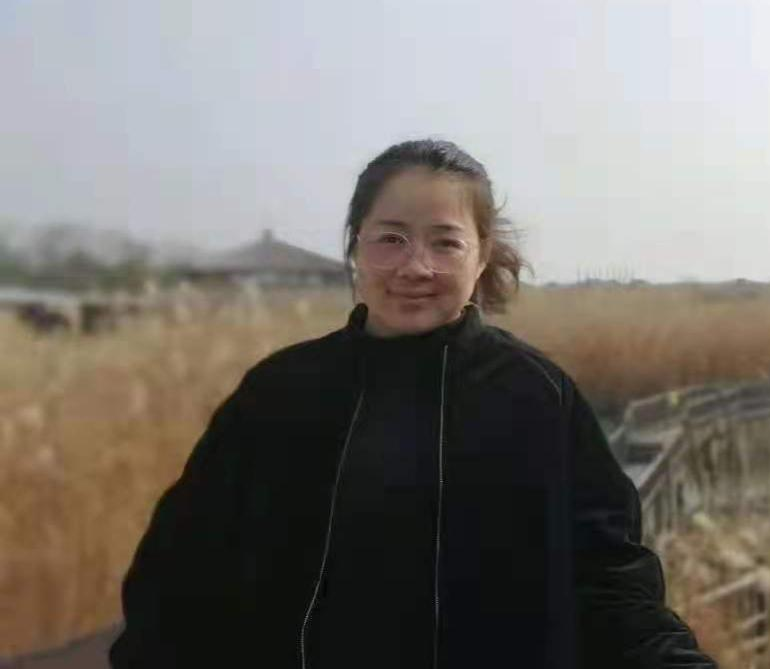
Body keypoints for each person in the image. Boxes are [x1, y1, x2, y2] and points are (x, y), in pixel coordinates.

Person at [109, 139, 716, 668]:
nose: (415, 267)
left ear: (482, 256)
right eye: (391, 239)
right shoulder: (280, 393)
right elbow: (178, 576)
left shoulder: (536, 396)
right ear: (356, 247)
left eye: (445, 243)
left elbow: (609, 580)